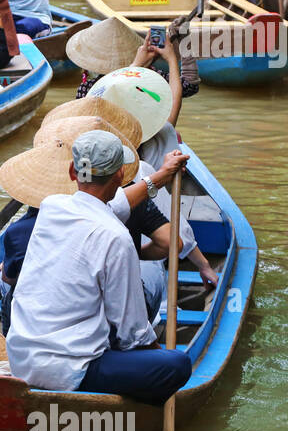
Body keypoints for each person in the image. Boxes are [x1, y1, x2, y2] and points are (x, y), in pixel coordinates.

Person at [6, 130, 193, 405]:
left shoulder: (51, 207)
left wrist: (159, 177)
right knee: (177, 364)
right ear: (120, 175)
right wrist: (157, 357)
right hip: (70, 370)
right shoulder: (117, 238)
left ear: (73, 171)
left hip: (21, 360)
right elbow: (134, 335)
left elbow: (109, 204)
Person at [87, 32, 221, 289]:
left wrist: (136, 64)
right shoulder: (145, 171)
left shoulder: (90, 143)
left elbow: (116, 91)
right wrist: (171, 60)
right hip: (138, 267)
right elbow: (176, 233)